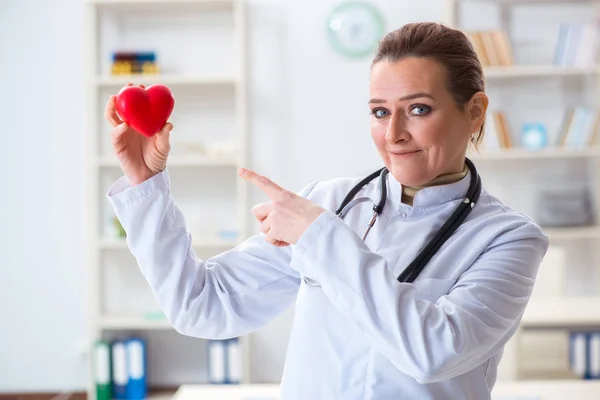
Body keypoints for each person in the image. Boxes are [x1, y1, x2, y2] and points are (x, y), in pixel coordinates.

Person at [104, 22, 548, 400]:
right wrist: (148, 186)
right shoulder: (331, 202)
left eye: (418, 109)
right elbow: (201, 306)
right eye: (379, 111)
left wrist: (320, 237)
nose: (393, 134)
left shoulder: (508, 238)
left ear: (474, 112)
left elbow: (434, 352)